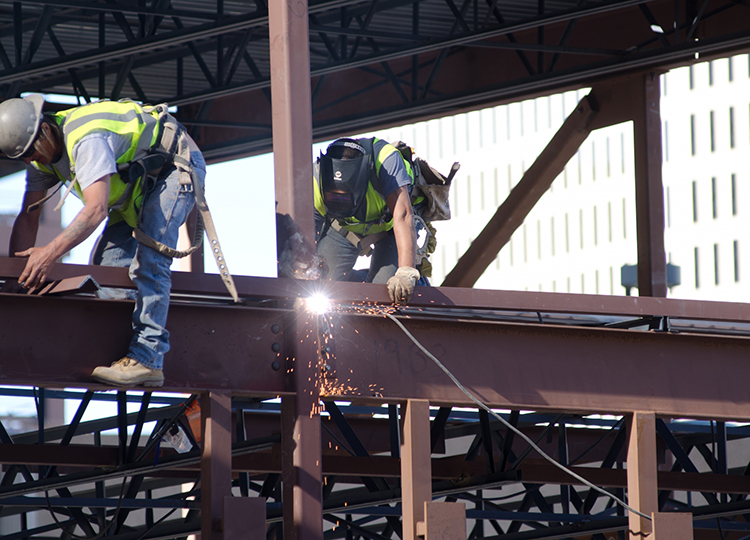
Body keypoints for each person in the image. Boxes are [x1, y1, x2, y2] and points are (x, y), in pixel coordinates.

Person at [0, 94, 207, 388]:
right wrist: (17, 278)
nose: (31, 161)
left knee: (152, 257)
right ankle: (120, 351)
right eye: (24, 158)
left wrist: (49, 254)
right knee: (106, 271)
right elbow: (29, 215)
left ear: (44, 130)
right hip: (137, 187)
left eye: (32, 154)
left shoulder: (86, 140)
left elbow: (96, 210)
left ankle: (148, 358)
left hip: (174, 167)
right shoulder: (38, 156)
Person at [313, 137, 423, 304]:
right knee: (323, 285)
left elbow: (404, 215)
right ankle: (365, 278)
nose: (342, 202)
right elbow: (305, 236)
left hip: (391, 228)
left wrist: (406, 272)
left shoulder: (386, 161)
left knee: (386, 293)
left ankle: (419, 282)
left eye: (346, 197)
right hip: (343, 229)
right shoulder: (316, 179)